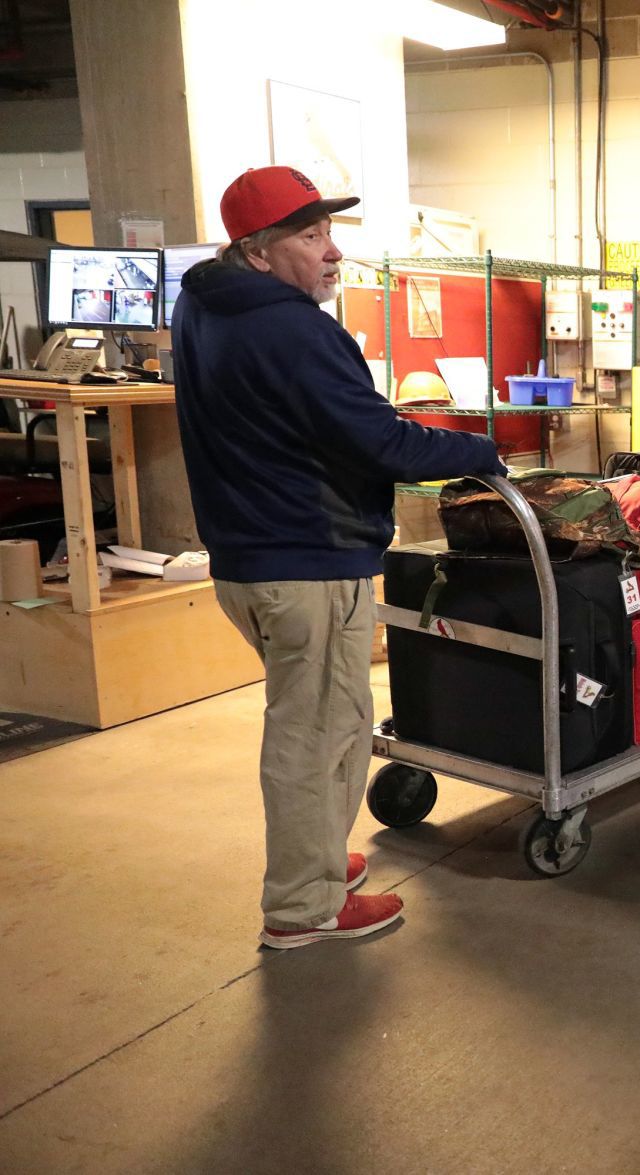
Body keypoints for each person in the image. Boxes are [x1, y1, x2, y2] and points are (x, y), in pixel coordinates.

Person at [174, 166, 504, 949]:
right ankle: (303, 904)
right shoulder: (294, 329)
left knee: (326, 719)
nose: (332, 254)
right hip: (308, 559)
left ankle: (318, 861)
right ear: (258, 251)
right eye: (311, 237)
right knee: (318, 729)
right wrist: (482, 449)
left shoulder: (203, 304)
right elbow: (380, 441)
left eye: (330, 234)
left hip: (248, 559)